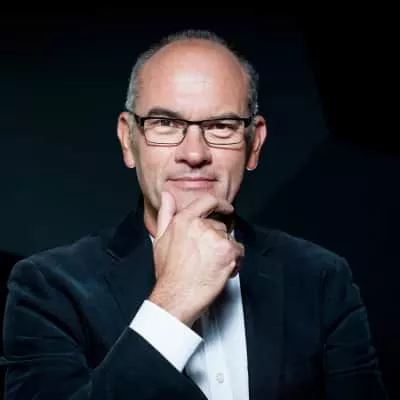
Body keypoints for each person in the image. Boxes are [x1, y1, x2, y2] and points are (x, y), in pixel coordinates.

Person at [1, 29, 387, 399]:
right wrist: (171, 305)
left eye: (221, 126)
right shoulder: (47, 288)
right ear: (128, 140)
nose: (194, 153)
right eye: (165, 123)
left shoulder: (322, 279)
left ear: (254, 143)